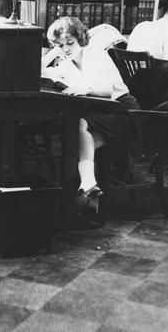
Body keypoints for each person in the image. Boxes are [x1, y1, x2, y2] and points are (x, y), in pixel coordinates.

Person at [42, 17, 139, 215]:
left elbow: (106, 90)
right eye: (61, 45)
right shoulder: (66, 63)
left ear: (81, 39)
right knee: (76, 143)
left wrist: (83, 88)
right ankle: (86, 195)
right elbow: (41, 70)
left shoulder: (96, 55)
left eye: (70, 43)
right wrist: (56, 49)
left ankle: (80, 192)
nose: (66, 49)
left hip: (124, 112)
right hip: (101, 113)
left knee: (78, 127)